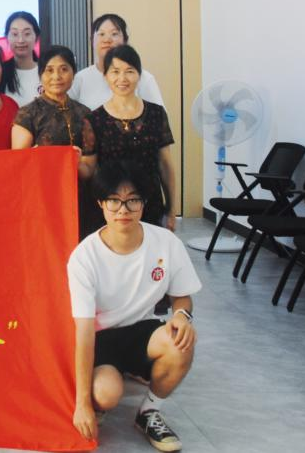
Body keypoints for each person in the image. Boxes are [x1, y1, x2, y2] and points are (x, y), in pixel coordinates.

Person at [68, 160, 200, 453]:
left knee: (181, 341)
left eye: (132, 200)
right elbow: (84, 332)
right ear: (101, 203)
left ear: (144, 202)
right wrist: (82, 404)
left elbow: (183, 296)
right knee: (106, 394)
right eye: (114, 201)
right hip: (101, 338)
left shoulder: (166, 242)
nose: (123, 210)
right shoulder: (84, 257)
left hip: (142, 330)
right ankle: (103, 390)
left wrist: (181, 316)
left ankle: (149, 412)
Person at [11, 45, 99, 236]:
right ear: (41, 75)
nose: (56, 76)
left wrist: (77, 163)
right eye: (49, 70)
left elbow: (89, 171)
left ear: (73, 74)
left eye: (64, 69)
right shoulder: (28, 114)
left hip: (80, 201)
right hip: (42, 202)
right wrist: (35, 157)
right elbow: (18, 166)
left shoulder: (85, 114)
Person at [88, 45, 177, 230]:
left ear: (139, 75)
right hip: (113, 208)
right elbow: (91, 170)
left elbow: (165, 165)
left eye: (129, 71)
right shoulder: (94, 119)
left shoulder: (156, 114)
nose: (122, 78)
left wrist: (171, 210)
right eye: (115, 71)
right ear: (105, 76)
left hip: (150, 204)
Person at [70, 14, 166, 110]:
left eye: (114, 34)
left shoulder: (144, 78)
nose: (107, 40)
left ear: (125, 40)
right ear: (92, 40)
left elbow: (159, 115)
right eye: (101, 34)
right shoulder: (80, 78)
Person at [0, 11, 42, 106]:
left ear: (36, 37)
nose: (21, 40)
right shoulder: (0, 73)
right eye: (15, 34)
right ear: (7, 37)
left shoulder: (47, 70)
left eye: (27, 34)